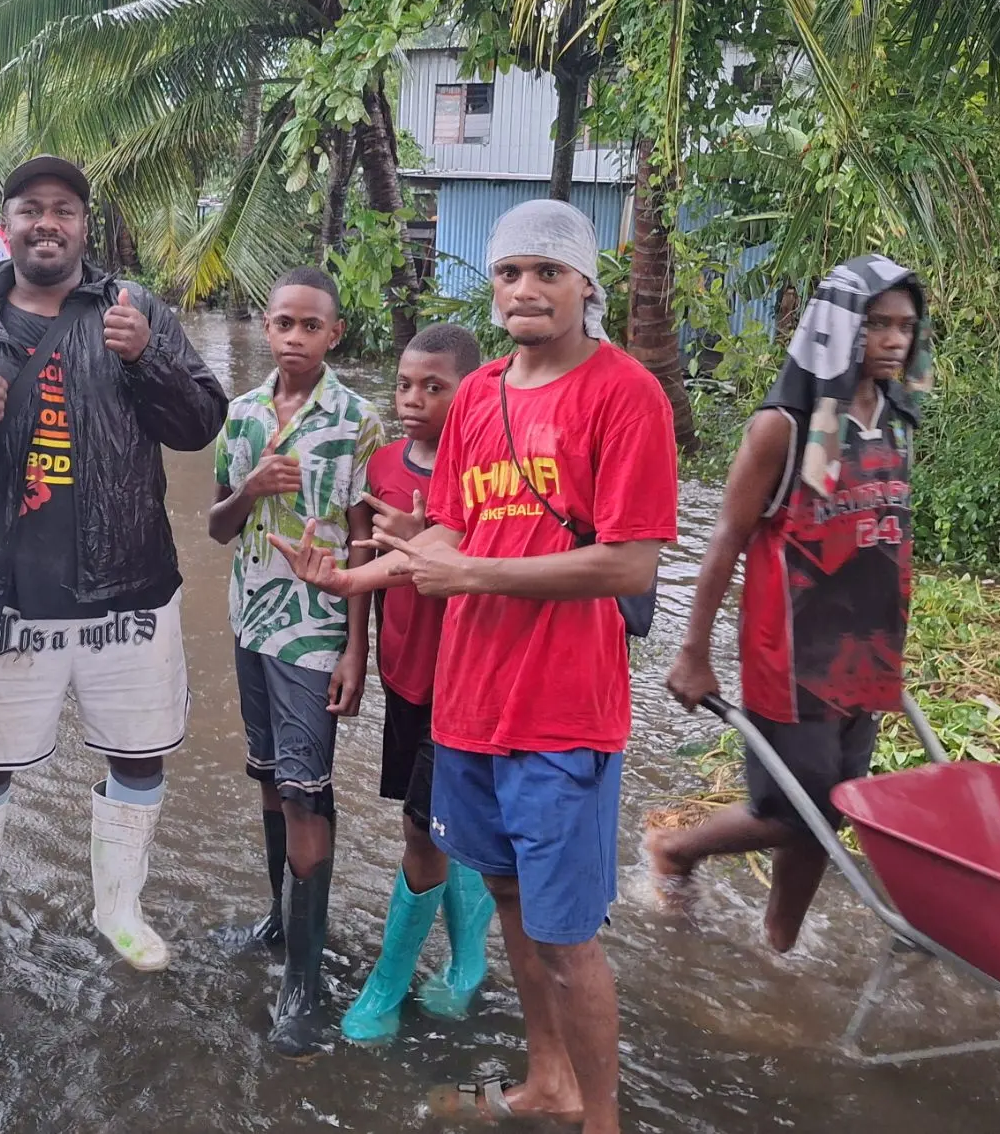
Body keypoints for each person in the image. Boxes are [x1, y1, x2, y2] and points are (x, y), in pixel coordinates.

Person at [275, 200, 677, 1131]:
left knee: (571, 938)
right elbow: (450, 530)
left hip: (563, 712)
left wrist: (471, 570)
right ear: (490, 286)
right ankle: (549, 1083)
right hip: (468, 705)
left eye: (548, 272)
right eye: (509, 273)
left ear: (586, 285)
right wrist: (355, 575)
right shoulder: (484, 393)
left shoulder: (625, 394)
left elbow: (631, 562)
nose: (527, 290)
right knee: (508, 900)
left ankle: (603, 1120)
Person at [0, 154, 227, 978]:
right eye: (29, 209)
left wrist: (146, 358)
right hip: (2, 592)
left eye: (63, 209)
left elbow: (199, 426)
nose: (46, 223)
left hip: (127, 586)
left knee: (138, 752)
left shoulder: (135, 310)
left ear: (86, 224)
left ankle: (120, 907)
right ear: (6, 223)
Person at [650, 255, 928, 951]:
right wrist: (693, 654)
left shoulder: (889, 420)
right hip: (792, 655)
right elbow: (726, 537)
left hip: (865, 658)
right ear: (839, 331)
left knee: (830, 808)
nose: (894, 341)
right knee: (794, 812)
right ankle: (677, 851)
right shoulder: (786, 426)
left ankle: (779, 944)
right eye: (877, 326)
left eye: (905, 327)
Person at [208, 267, 384, 1058]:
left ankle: (305, 988)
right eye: (283, 323)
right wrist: (248, 487)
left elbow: (364, 539)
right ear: (267, 326)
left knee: (308, 794)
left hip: (314, 635)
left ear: (334, 334)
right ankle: (282, 924)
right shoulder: (241, 415)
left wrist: (358, 646)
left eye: (311, 326)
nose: (295, 338)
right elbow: (216, 527)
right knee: (273, 785)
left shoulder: (356, 420)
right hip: (252, 622)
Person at [339, 322, 496, 1046]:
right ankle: (469, 963)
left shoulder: (484, 474)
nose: (414, 399)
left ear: (471, 393)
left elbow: (493, 566)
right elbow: (363, 567)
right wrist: (358, 652)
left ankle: (389, 983)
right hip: (404, 671)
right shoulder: (379, 465)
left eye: (435, 387)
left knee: (421, 826)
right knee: (431, 818)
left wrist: (430, 524)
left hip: (463, 680)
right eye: (405, 384)